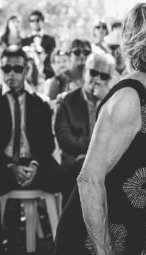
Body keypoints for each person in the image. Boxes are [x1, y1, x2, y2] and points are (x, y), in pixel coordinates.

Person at [54, 0, 146, 255]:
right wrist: (104, 250)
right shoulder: (130, 97)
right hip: (90, 242)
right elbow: (89, 180)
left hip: (132, 241)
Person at [0, 47, 63, 254]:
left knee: (69, 177)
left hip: (36, 164)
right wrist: (10, 166)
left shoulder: (40, 102)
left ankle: (67, 239)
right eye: (6, 68)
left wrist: (34, 164)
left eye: (17, 68)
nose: (11, 74)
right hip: (4, 165)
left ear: (26, 70)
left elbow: (47, 144)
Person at [54, 53, 115, 203]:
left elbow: (120, 135)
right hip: (76, 161)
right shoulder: (66, 101)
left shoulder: (113, 102)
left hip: (108, 161)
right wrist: (95, 149)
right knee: (85, 169)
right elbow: (65, 140)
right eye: (93, 72)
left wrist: (107, 100)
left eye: (104, 76)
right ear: (84, 72)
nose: (97, 79)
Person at [21, 10, 57, 79]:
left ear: (42, 21)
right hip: (29, 76)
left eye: (37, 20)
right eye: (32, 20)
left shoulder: (51, 40)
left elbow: (53, 60)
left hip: (48, 75)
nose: (35, 23)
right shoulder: (24, 41)